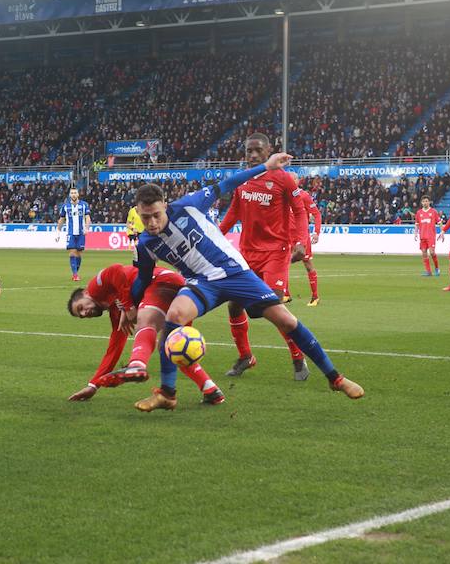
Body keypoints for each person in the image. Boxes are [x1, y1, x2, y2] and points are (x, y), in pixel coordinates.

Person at [130, 151, 364, 412]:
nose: (151, 223)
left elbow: (228, 183)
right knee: (174, 316)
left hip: (236, 274)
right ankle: (168, 394)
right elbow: (142, 278)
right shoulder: (145, 244)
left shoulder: (189, 205)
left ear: (165, 204)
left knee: (286, 321)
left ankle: (335, 378)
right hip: (202, 282)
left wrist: (265, 166)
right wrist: (130, 305)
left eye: (155, 215)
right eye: (145, 217)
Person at [218, 134, 311, 381]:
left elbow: (299, 212)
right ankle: (245, 356)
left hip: (276, 252)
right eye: (249, 151)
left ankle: (297, 356)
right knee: (234, 304)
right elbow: (232, 214)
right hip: (247, 252)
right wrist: (213, 237)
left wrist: (301, 242)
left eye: (258, 150)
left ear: (269, 150)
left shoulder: (283, 179)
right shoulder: (242, 181)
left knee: (273, 307)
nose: (253, 155)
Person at [66, 264, 224, 404]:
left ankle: (136, 365)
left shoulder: (95, 288)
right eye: (81, 316)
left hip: (162, 281)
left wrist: (127, 306)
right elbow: (115, 346)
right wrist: (93, 385)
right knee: (174, 347)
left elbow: (116, 270)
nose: (85, 313)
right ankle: (210, 390)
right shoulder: (115, 309)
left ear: (86, 294)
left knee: (146, 323)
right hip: (178, 289)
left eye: (81, 307)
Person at [287, 171, 322, 306]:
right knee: (282, 264)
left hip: (302, 236)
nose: (289, 182)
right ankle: (286, 294)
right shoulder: (283, 196)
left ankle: (315, 297)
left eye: (291, 180)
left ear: (297, 181)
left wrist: (316, 232)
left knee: (307, 265)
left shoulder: (304, 196)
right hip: (286, 236)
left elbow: (316, 214)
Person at [56, 187, 91, 281]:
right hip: (70, 233)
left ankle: (75, 273)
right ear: (69, 195)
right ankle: (75, 275)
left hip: (81, 233)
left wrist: (87, 228)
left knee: (79, 254)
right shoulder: (65, 206)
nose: (74, 194)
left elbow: (88, 218)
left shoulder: (84, 205)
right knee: (72, 252)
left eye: (75, 193)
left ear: (78, 194)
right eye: (72, 193)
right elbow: (61, 220)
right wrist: (58, 233)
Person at [414, 195, 442, 277]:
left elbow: (439, 222)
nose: (425, 203)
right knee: (424, 253)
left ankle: (437, 268)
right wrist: (415, 233)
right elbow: (417, 224)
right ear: (421, 203)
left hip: (431, 236)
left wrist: (442, 232)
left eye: (426, 201)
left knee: (432, 252)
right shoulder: (419, 213)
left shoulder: (433, 211)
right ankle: (428, 271)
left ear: (429, 202)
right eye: (423, 201)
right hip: (422, 236)